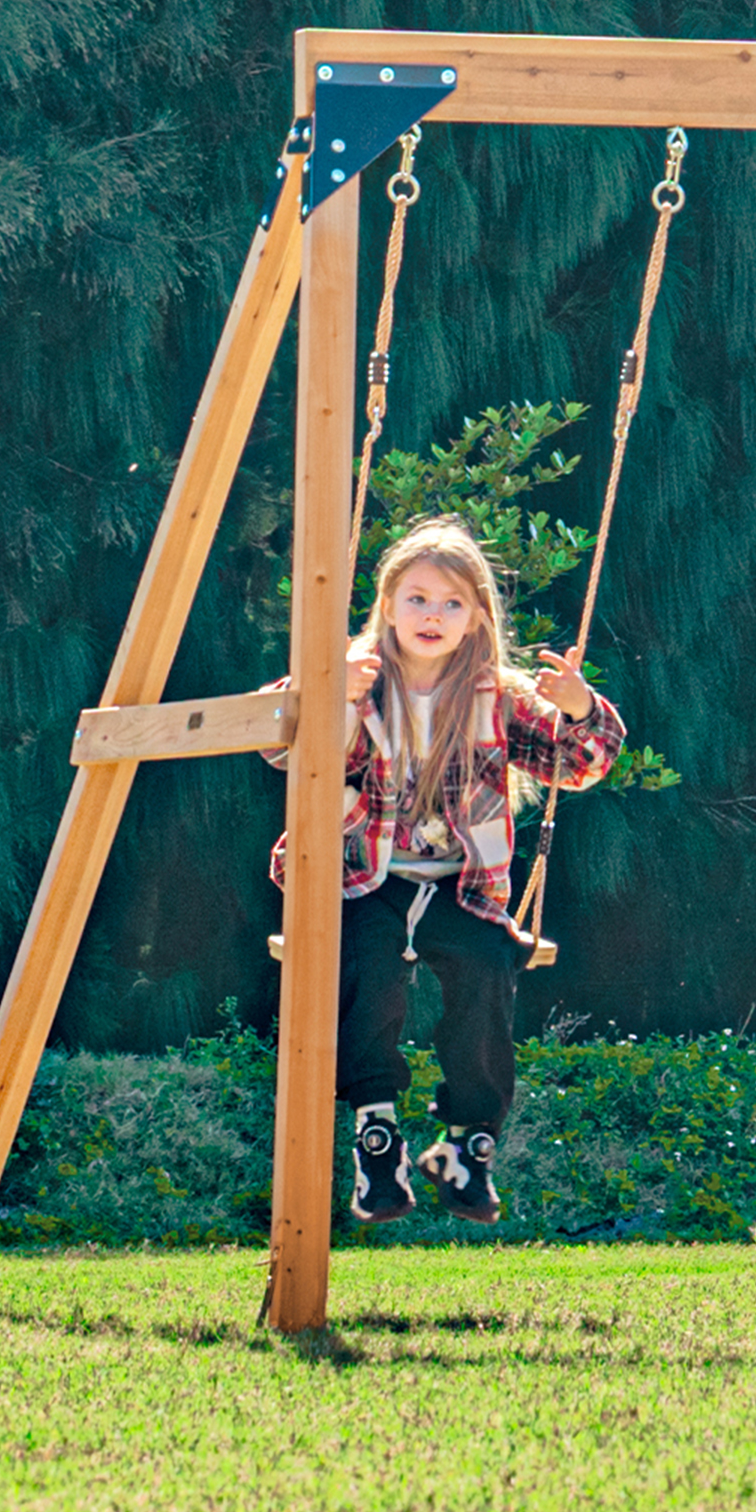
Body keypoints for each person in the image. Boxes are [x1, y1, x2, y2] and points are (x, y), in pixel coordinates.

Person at [262, 514, 625, 1227]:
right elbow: (281, 751)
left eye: (452, 603)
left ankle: (467, 1142)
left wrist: (583, 711)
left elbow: (580, 765)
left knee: (492, 968)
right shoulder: (351, 675)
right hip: (365, 876)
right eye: (418, 598)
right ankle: (377, 1133)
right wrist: (329, 694)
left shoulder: (500, 696)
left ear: (476, 618)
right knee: (366, 969)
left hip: (461, 881)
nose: (433, 615)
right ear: (389, 605)